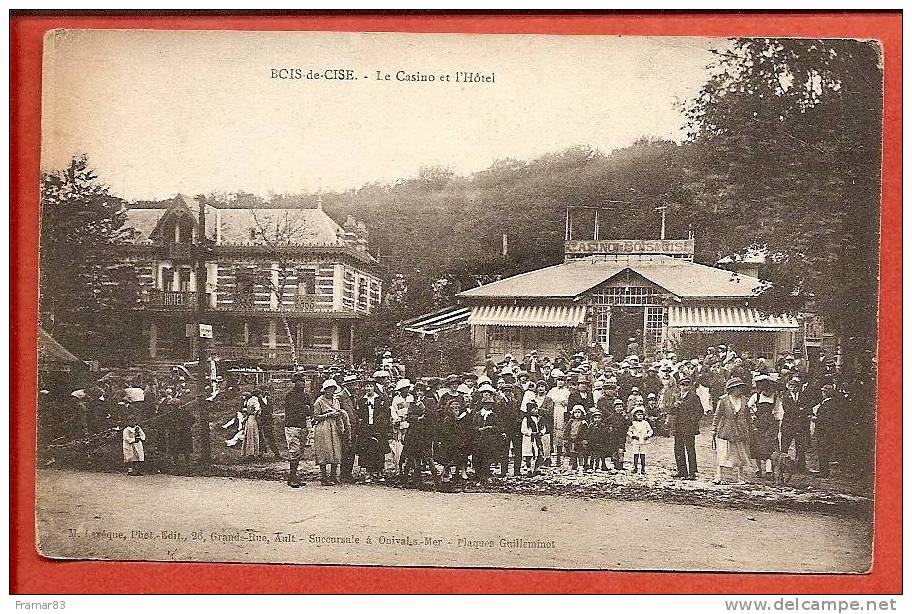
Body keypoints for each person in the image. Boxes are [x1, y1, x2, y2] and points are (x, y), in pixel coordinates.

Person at [710, 377, 753, 484]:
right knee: (723, 453)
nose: (741, 390)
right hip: (726, 429)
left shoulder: (744, 400)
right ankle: (719, 476)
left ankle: (740, 477)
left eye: (741, 388)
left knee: (740, 454)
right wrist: (714, 429)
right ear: (732, 389)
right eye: (739, 388)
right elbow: (717, 415)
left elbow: (748, 416)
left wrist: (750, 427)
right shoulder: (723, 400)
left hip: (740, 430)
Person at [313, 379, 350, 486]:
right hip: (323, 427)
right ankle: (324, 476)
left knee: (336, 450)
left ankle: (333, 475)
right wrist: (328, 415)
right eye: (329, 389)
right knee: (324, 450)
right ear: (325, 390)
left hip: (335, 426)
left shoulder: (336, 401)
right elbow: (315, 417)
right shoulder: (319, 401)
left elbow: (339, 412)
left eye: (333, 389)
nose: (331, 391)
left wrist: (339, 417)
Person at [356, 377, 391, 483]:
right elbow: (360, 415)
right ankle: (368, 473)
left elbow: (386, 413)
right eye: (367, 386)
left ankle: (379, 472)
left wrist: (383, 424)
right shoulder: (362, 400)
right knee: (367, 450)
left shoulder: (380, 399)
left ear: (374, 388)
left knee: (379, 449)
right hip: (366, 428)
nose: (369, 388)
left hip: (378, 428)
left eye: (371, 386)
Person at [748, 374, 782, 479]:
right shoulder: (756, 397)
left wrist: (778, 424)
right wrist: (753, 416)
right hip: (758, 424)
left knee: (770, 446)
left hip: (770, 424)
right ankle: (759, 469)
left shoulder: (775, 397)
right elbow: (749, 408)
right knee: (757, 447)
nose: (767, 392)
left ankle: (768, 470)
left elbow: (778, 411)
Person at [472, 383, 505, 485]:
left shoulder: (493, 415)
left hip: (489, 440)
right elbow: (473, 426)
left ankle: (486, 476)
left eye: (490, 404)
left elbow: (499, 427)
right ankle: (478, 477)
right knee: (477, 458)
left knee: (487, 458)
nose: (489, 406)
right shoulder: (478, 414)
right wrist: (479, 429)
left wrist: (490, 428)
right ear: (483, 405)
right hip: (478, 439)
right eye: (487, 404)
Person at [284, 373, 313, 488]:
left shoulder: (306, 395)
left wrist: (306, 409)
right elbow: (293, 410)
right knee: (294, 451)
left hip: (302, 425)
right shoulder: (290, 395)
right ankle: (291, 478)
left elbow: (310, 410)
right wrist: (304, 408)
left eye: (303, 381)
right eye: (300, 381)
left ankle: (294, 476)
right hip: (292, 426)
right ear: (295, 383)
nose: (303, 383)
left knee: (300, 452)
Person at [671, 375, 702, 480]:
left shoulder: (693, 396)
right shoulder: (676, 396)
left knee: (690, 449)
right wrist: (674, 406)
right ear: (679, 386)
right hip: (678, 426)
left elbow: (700, 411)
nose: (684, 387)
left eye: (687, 385)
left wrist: (692, 420)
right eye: (682, 385)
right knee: (678, 449)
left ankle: (692, 472)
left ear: (690, 385)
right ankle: (681, 471)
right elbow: (670, 411)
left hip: (689, 426)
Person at [780, 376, 811, 471]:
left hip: (800, 426)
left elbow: (807, 408)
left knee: (801, 446)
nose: (793, 388)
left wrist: (801, 410)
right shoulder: (785, 397)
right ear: (788, 387)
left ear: (798, 387)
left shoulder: (803, 396)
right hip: (788, 425)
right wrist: (800, 410)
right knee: (785, 446)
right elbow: (788, 410)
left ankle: (801, 466)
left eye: (795, 387)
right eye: (791, 386)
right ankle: (783, 466)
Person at [337, 375, 362, 483]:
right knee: (346, 451)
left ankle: (348, 473)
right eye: (354, 384)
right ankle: (344, 474)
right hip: (346, 428)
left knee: (351, 450)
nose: (357, 386)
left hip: (354, 427)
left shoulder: (353, 396)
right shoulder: (341, 397)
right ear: (349, 385)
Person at [256, 388, 282, 461]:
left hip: (269, 422)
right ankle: (260, 454)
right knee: (260, 437)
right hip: (261, 421)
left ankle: (277, 454)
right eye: (263, 390)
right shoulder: (257, 400)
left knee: (271, 437)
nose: (265, 392)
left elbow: (271, 410)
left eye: (267, 390)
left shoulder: (269, 400)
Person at [519, 401, 545, 475]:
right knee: (529, 454)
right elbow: (523, 429)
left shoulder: (540, 418)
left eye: (536, 409)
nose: (535, 411)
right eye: (533, 409)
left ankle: (537, 468)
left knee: (539, 453)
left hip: (537, 438)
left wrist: (541, 432)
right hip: (529, 439)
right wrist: (530, 433)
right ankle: (529, 469)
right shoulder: (526, 419)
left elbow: (543, 427)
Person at [627, 406, 653, 474]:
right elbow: (629, 431)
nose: (640, 416)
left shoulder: (645, 423)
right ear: (635, 416)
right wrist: (633, 436)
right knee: (635, 454)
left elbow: (650, 431)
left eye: (641, 414)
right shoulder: (633, 423)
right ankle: (635, 467)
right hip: (636, 441)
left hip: (643, 441)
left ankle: (643, 468)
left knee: (642, 454)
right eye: (638, 415)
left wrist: (648, 436)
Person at [565, 405, 590, 474]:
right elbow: (567, 431)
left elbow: (586, 433)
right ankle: (570, 469)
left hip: (579, 441)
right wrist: (566, 439)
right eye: (575, 412)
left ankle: (581, 469)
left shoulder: (583, 423)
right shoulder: (571, 421)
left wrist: (584, 440)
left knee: (580, 455)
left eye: (579, 412)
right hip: (572, 440)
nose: (577, 414)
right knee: (572, 455)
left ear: (582, 413)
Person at [240, 390, 263, 460]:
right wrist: (257, 416)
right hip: (253, 418)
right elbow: (257, 410)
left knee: (249, 434)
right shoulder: (255, 400)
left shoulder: (249, 400)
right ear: (258, 395)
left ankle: (248, 452)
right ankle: (252, 453)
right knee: (253, 434)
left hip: (249, 418)